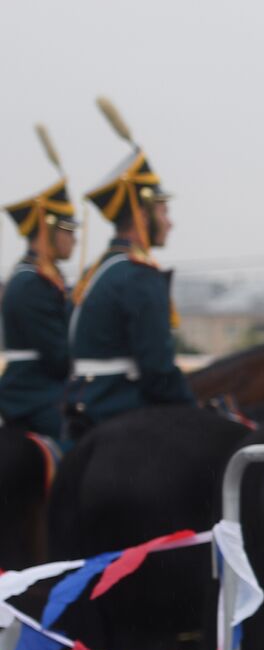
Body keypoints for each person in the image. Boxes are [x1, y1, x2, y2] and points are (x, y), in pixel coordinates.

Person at [66, 98, 193, 440]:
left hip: (85, 402)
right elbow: (157, 370)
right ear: (142, 214)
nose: (170, 223)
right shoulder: (138, 275)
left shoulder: (102, 269)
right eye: (163, 212)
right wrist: (191, 407)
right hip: (119, 405)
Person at [1, 128, 77, 439]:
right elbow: (58, 361)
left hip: (45, 390)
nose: (75, 239)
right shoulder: (30, 284)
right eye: (69, 230)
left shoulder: (42, 279)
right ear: (48, 230)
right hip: (31, 395)